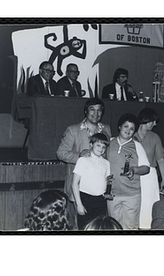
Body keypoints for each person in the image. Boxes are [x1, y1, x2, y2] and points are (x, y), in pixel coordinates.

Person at [56, 98, 111, 229]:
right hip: (80, 188)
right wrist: (79, 155)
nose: (96, 113)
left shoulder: (106, 129)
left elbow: (107, 154)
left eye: (99, 110)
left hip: (99, 190)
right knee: (81, 225)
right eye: (92, 109)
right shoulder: (73, 130)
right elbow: (60, 153)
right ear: (86, 111)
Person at [107, 113, 150, 230]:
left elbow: (146, 168)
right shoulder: (108, 143)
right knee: (114, 227)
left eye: (132, 129)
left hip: (132, 195)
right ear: (119, 126)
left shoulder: (137, 146)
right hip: (112, 195)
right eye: (126, 126)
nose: (128, 130)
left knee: (130, 228)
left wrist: (134, 169)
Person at [133, 108, 164, 229]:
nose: (155, 124)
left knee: (148, 207)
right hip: (134, 175)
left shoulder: (155, 137)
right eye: (152, 121)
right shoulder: (131, 134)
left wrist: (163, 180)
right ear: (145, 120)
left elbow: (160, 159)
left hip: (150, 177)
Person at [72, 133, 111, 229]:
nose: (101, 149)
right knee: (85, 228)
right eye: (98, 145)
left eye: (104, 147)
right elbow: (74, 184)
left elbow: (107, 181)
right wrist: (79, 204)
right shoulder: (83, 160)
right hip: (85, 199)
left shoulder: (106, 163)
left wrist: (108, 193)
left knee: (99, 228)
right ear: (91, 145)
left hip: (100, 201)